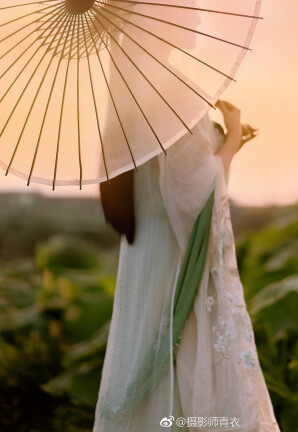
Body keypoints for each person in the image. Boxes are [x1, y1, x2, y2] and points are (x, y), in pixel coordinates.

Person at [93, 99, 281, 432]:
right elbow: (197, 191)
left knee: (148, 358)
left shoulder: (125, 97)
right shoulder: (167, 93)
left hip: (144, 252)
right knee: (182, 359)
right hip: (174, 249)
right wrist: (233, 135)